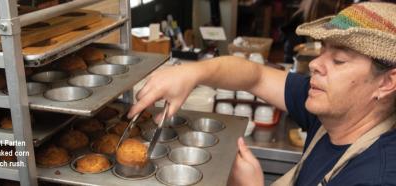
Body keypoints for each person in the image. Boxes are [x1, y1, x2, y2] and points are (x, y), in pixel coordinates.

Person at [128, 2, 396, 185]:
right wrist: (191, 74)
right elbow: (253, 75)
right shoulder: (333, 109)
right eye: (323, 50)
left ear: (386, 83)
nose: (315, 64)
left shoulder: (376, 176)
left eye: (338, 60)